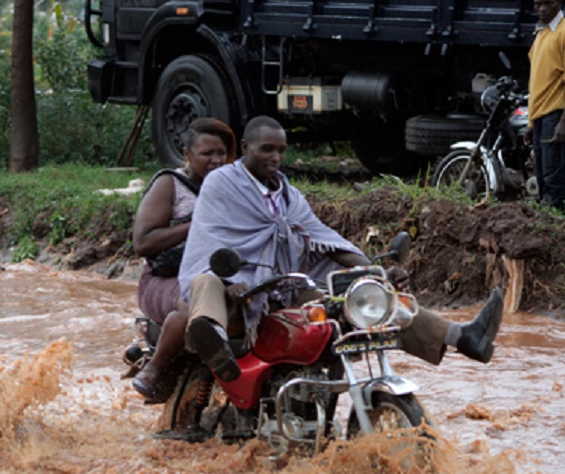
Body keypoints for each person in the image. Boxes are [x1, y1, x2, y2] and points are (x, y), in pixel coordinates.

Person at [178, 116, 505, 382]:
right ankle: (215, 343)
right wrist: (231, 281)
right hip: (236, 297)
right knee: (206, 281)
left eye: (281, 150)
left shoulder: (288, 195)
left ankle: (462, 337)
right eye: (266, 150)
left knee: (363, 300)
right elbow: (209, 243)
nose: (275, 158)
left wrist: (375, 275)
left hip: (285, 291)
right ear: (246, 148)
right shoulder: (222, 182)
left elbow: (328, 240)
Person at [130, 118, 236, 401]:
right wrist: (195, 224)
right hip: (166, 278)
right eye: (207, 154)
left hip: (220, 276)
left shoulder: (233, 189)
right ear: (187, 154)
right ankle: (153, 370)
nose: (216, 160)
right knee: (194, 310)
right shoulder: (171, 184)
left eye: (221, 153)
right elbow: (142, 242)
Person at [525, 0, 565, 210]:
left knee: (554, 181)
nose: (542, 9)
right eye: (537, 4)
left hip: (555, 116)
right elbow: (538, 82)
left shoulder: (564, 32)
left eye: (547, 3)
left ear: (559, 3)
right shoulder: (541, 34)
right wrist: (531, 123)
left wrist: (564, 122)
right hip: (541, 118)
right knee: (542, 177)